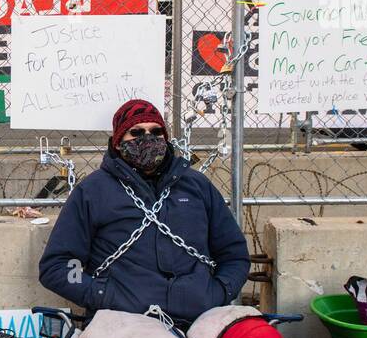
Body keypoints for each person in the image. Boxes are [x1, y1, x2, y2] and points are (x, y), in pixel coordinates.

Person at [38, 98, 250, 325]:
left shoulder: (196, 185)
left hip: (200, 318)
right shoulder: (92, 191)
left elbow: (234, 254)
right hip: (126, 323)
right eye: (136, 133)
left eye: (156, 132)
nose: (147, 138)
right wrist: (103, 294)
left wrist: (218, 292)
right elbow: (58, 266)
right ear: (119, 142)